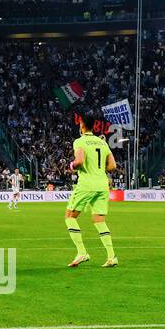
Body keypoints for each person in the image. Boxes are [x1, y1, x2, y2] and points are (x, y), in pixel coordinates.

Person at [65, 110, 118, 268]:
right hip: (103, 184)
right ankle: (111, 256)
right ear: (93, 126)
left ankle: (82, 252)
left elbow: (79, 161)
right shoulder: (102, 142)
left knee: (70, 216)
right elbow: (112, 166)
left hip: (87, 184)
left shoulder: (80, 142)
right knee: (99, 220)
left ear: (81, 126)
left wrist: (72, 166)